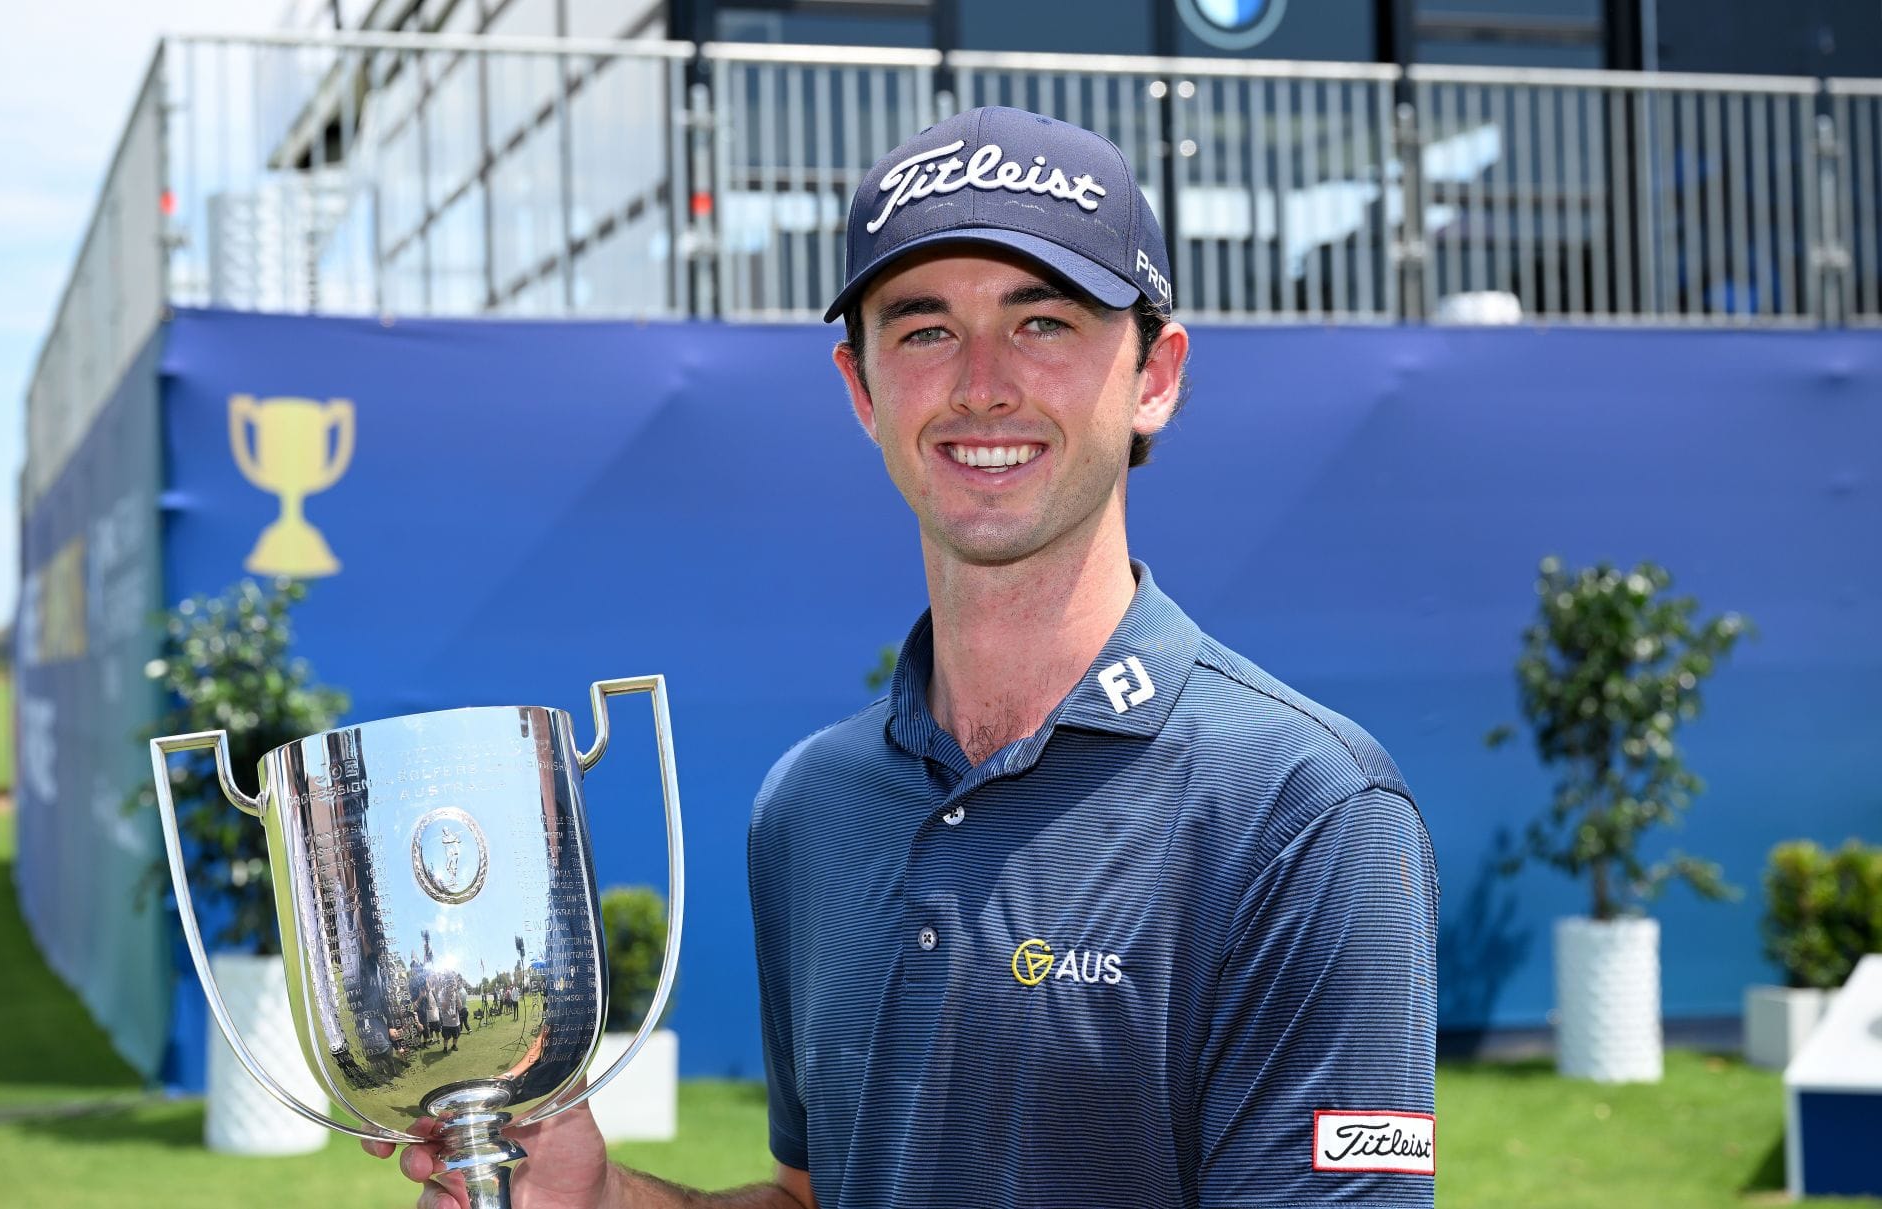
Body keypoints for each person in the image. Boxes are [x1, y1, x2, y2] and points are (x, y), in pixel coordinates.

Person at [367, 104, 1438, 1209]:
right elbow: (817, 1199)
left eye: (1044, 322)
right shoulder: (810, 808)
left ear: (1154, 376)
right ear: (861, 389)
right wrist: (599, 1200)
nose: (982, 384)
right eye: (925, 330)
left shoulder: (1307, 812)